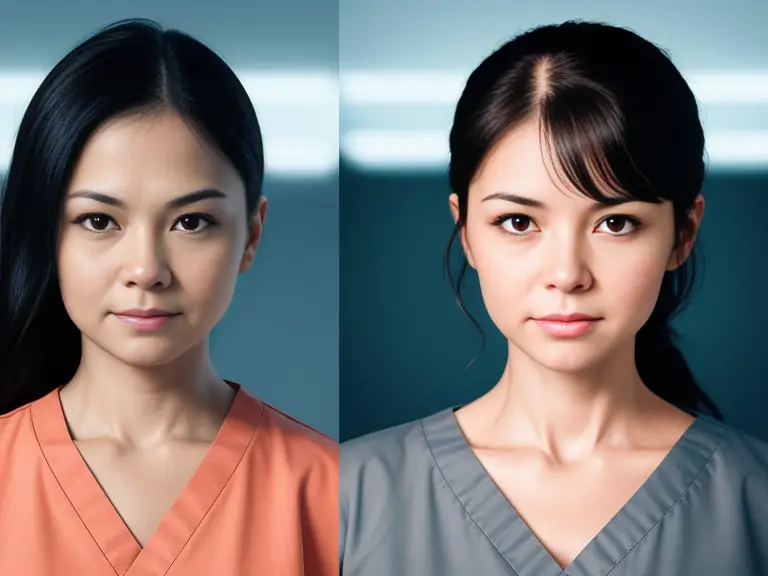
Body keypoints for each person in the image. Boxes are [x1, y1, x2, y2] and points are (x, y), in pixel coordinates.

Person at [339, 20, 768, 576]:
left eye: (615, 223)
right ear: (466, 232)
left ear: (682, 234)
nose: (567, 275)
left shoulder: (755, 502)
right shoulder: (346, 497)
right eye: (518, 221)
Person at [0, 19, 337, 575]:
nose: (146, 270)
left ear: (251, 234)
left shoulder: (329, 490)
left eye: (191, 222)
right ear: (46, 232)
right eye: (99, 219)